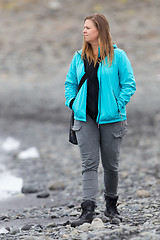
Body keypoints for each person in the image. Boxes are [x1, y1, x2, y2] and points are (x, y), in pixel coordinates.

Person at [65, 13, 136, 227]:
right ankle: (87, 211)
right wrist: (73, 102)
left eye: (88, 27)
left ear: (100, 30)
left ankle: (111, 207)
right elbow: (70, 83)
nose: (84, 31)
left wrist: (117, 104)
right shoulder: (79, 57)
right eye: (83, 27)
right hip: (84, 118)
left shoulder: (118, 56)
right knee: (89, 164)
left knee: (111, 165)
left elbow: (129, 84)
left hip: (112, 119)